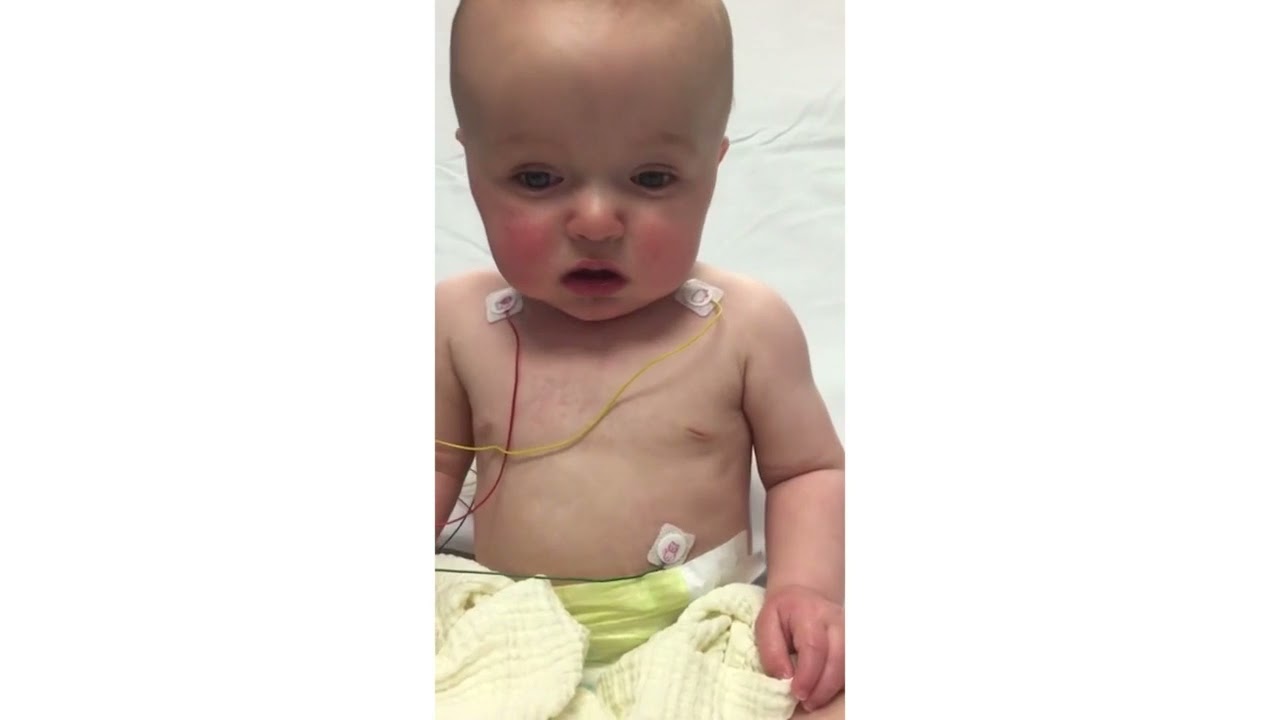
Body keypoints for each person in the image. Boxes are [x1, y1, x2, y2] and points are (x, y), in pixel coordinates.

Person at [435, 1, 845, 716]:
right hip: (504, 629)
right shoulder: (461, 323)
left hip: (700, 629)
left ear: (712, 167)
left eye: (652, 179)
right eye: (537, 179)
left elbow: (807, 469)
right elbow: (437, 461)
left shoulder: (744, 326)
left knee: (825, 693)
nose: (596, 222)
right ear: (471, 164)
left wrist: (805, 588)